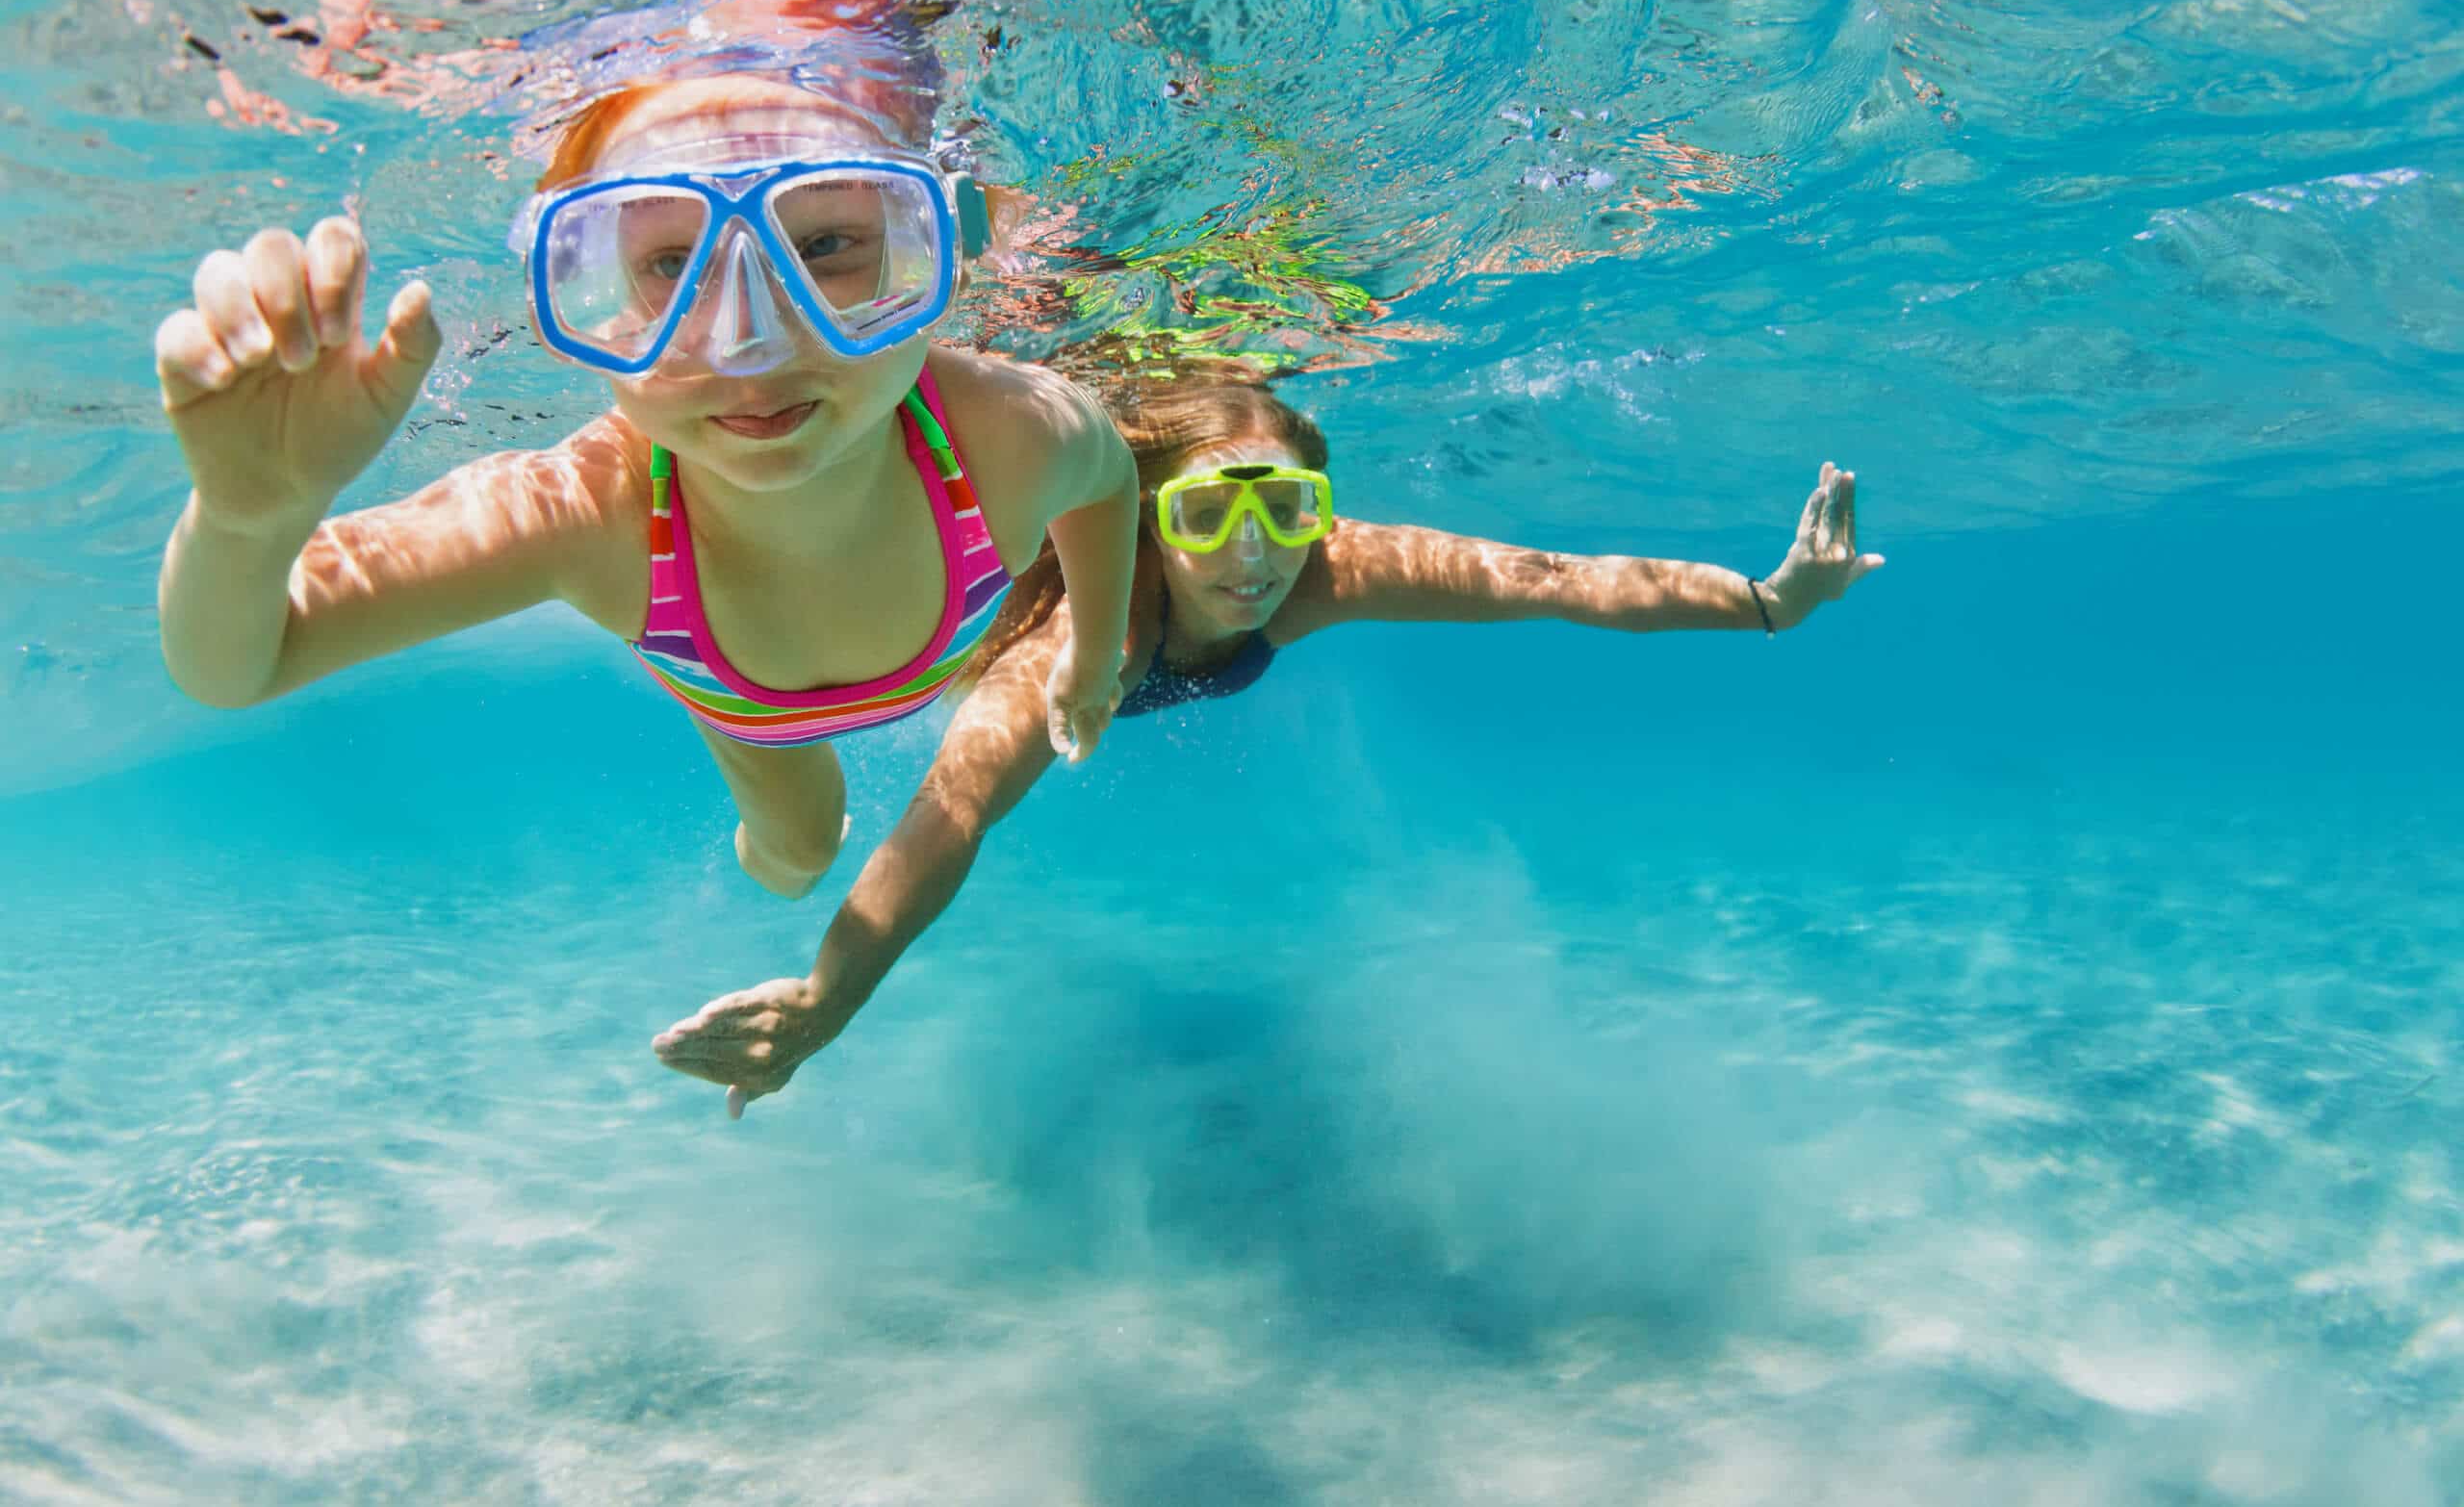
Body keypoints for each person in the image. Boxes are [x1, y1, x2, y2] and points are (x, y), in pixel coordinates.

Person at [652, 367, 1884, 1116]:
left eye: (1287, 510)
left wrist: (1767, 602)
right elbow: (953, 809)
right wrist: (825, 1001)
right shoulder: (1092, 634)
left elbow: (1554, 577)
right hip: (899, 637)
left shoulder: (1326, 574)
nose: (1253, 557)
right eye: (1205, 514)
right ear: (1143, 517)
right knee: (803, 825)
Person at [151, 64, 1139, 899]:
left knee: (798, 856)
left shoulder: (1003, 433)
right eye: (672, 264)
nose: (748, 342)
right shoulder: (587, 513)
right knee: (797, 857)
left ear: (936, 254)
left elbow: (1107, 486)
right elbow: (239, 666)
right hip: (750, 712)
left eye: (827, 245)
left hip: (778, 663)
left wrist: (1088, 664)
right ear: (594, 291)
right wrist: (248, 519)